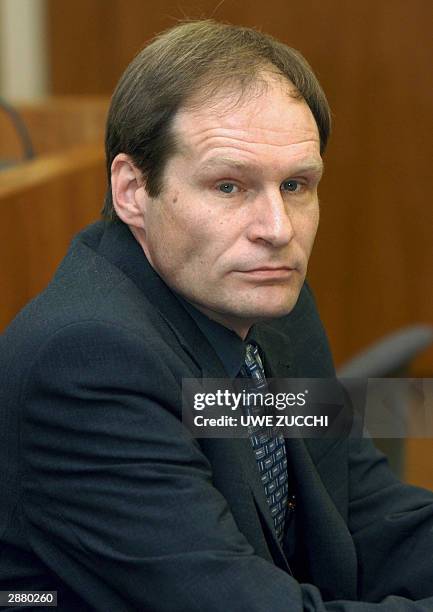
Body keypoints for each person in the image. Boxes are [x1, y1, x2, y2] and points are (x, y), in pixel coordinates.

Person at [1, 19, 433, 612]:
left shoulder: (265, 299)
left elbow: (360, 505)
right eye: (229, 186)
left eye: (296, 185)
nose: (277, 230)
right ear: (131, 190)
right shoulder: (85, 364)